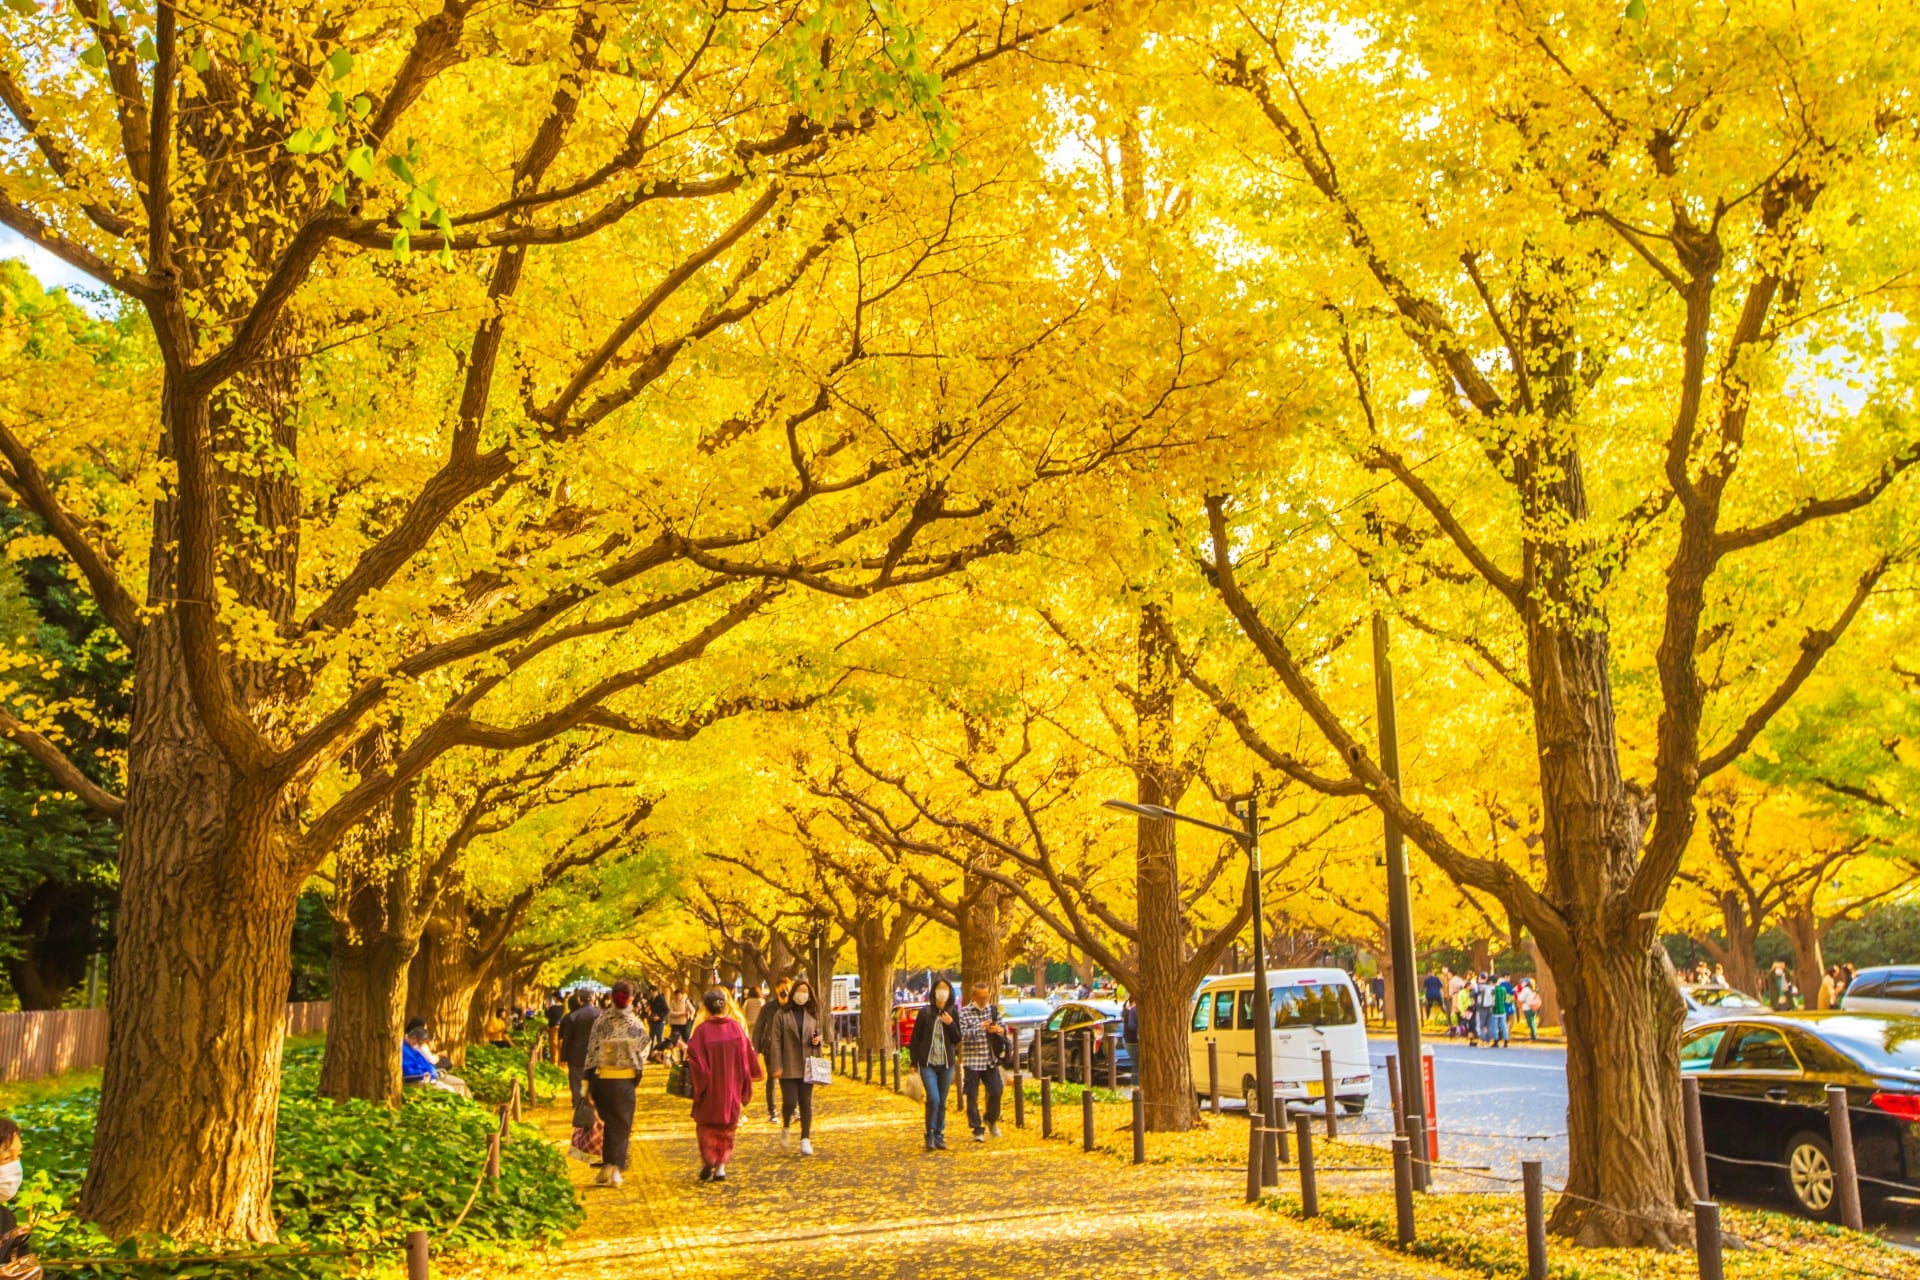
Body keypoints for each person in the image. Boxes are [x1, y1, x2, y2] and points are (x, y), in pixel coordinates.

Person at [686, 987, 759, 1182]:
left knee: (706, 1127)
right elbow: (747, 1054)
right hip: (731, 1086)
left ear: (706, 1008)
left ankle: (709, 1157)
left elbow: (695, 1060)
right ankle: (721, 1166)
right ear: (725, 1005)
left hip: (710, 1089)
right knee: (727, 1128)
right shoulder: (735, 1028)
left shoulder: (701, 1032)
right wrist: (749, 1077)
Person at [584, 980, 651, 1187]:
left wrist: (587, 1081)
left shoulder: (601, 1022)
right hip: (625, 1079)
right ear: (631, 999)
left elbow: (592, 1051)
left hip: (602, 1078)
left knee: (607, 1123)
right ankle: (615, 1169)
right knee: (621, 1125)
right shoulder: (636, 1024)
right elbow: (644, 1051)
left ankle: (607, 1166)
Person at [765, 976, 824, 1155]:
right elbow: (775, 1041)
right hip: (788, 1063)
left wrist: (818, 1040)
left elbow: (819, 1036)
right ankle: (786, 1127)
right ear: (793, 993)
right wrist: (777, 1064)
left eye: (805, 992)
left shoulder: (813, 1014)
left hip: (807, 1062)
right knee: (790, 1101)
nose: (802, 995)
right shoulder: (781, 1015)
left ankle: (805, 1138)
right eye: (799, 992)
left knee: (806, 1102)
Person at [910, 979, 962, 1152]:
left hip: (946, 1064)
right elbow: (916, 1039)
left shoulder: (953, 1013)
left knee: (942, 1101)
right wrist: (913, 1062)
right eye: (939, 989)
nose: (942, 992)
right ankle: (929, 1134)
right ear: (934, 992)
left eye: (945, 989)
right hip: (928, 1063)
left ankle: (939, 1134)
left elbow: (957, 1039)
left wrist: (951, 1024)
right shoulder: (925, 1013)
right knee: (934, 1098)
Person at [957, 982, 1005, 1142]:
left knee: (997, 1091)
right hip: (972, 1061)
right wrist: (979, 1027)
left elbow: (1003, 1028)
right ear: (973, 996)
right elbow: (960, 1035)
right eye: (981, 997)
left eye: (986, 997)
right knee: (972, 1095)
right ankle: (977, 1129)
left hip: (989, 1060)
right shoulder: (964, 1013)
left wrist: (997, 1029)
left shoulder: (992, 1011)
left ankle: (990, 1119)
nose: (984, 1000)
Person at [751, 977, 791, 1125]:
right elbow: (759, 1027)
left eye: (787, 989)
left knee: (790, 1080)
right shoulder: (768, 1008)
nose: (785, 992)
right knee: (772, 1079)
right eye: (782, 990)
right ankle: (772, 1111)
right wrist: (755, 1049)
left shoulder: (795, 1007)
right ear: (776, 990)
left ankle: (792, 1109)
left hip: (790, 1049)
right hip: (771, 1048)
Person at [402, 1024, 471, 1096]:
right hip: (418, 1079)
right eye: (420, 1043)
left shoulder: (413, 1047)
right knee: (449, 1090)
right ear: (414, 1038)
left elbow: (427, 1063)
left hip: (432, 1075)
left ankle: (470, 1104)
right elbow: (407, 1069)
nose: (420, 1046)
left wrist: (432, 1072)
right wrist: (422, 1074)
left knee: (461, 1083)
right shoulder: (404, 1049)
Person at [559, 990, 601, 1106]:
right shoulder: (601, 1014)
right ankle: (594, 1104)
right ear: (593, 999)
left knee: (577, 1081)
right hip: (597, 1053)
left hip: (576, 1054)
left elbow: (567, 1038)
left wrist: (563, 1056)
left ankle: (580, 1106)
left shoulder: (573, 1016)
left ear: (580, 1000)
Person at [1490, 975, 1514, 1048]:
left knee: (1495, 1026)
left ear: (1491, 982)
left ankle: (1496, 1041)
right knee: (1503, 1026)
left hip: (1495, 1010)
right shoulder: (1503, 989)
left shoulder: (1492, 990)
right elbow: (1504, 998)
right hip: (1502, 1009)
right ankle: (1506, 1040)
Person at [544, 992, 566, 1062]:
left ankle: (554, 1061)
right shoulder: (564, 1008)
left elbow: (547, 1016)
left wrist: (546, 1007)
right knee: (561, 1045)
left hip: (553, 1027)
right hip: (563, 1028)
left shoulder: (552, 1008)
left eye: (553, 997)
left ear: (555, 998)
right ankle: (561, 1062)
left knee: (553, 1045)